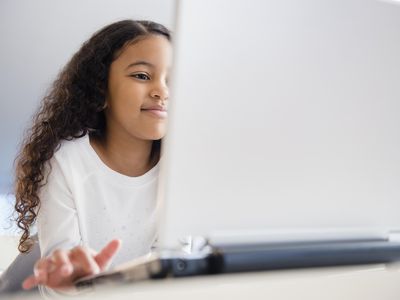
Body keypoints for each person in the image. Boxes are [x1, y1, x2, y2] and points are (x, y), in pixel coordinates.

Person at [13, 19, 172, 293]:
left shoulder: (183, 169)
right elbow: (58, 282)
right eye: (142, 76)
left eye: (173, 79)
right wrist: (70, 277)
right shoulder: (65, 162)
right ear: (101, 89)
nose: (162, 91)